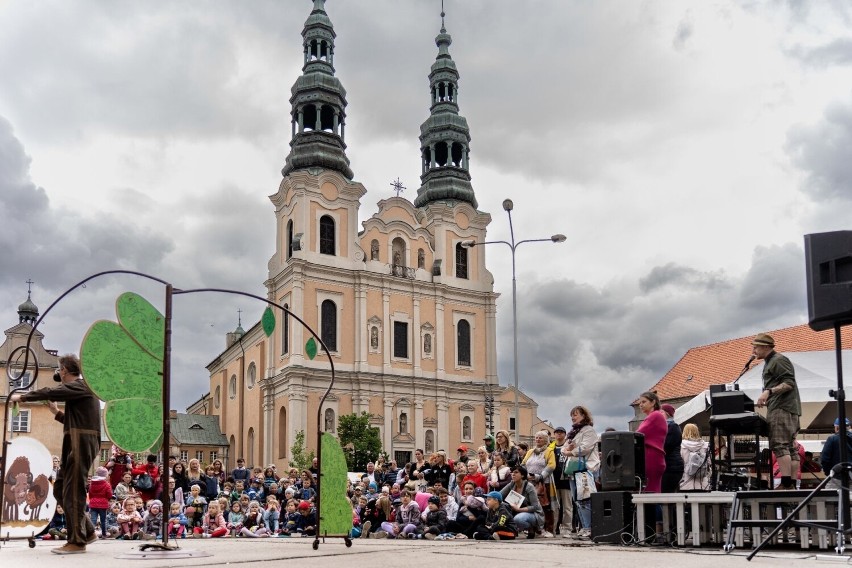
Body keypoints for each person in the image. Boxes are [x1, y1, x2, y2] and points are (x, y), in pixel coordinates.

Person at [10, 354, 100, 554]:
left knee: (73, 491)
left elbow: (51, 390)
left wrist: (23, 397)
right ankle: (88, 531)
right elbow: (78, 420)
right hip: (76, 442)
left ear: (64, 371)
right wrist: (56, 413)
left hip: (81, 444)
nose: (58, 373)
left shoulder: (81, 386)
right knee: (60, 489)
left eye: (60, 370)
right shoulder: (79, 390)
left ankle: (77, 542)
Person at [753, 333, 802, 490]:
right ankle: (792, 484)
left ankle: (786, 484)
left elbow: (789, 383)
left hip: (781, 408)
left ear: (766, 346)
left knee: (779, 445)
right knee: (790, 447)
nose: (753, 349)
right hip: (788, 407)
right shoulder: (772, 361)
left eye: (756, 346)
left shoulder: (778, 360)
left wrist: (768, 392)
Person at [561, 406, 600, 538]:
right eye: (572, 415)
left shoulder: (589, 431)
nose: (573, 417)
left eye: (576, 414)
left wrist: (570, 451)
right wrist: (568, 450)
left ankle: (589, 527)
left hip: (585, 469)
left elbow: (585, 448)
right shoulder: (573, 432)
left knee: (585, 500)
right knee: (577, 500)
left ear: (584, 415)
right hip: (573, 470)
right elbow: (563, 448)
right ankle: (584, 527)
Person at [636, 391, 668, 544]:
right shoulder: (655, 416)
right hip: (653, 458)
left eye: (643, 402)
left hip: (652, 458)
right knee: (652, 494)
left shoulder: (655, 416)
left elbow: (638, 434)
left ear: (653, 402)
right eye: (639, 403)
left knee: (651, 495)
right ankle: (654, 531)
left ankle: (656, 531)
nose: (640, 405)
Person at [522, 430, 556, 537]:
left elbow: (551, 466)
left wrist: (540, 477)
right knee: (531, 505)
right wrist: (524, 475)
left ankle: (548, 529)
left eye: (540, 438)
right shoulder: (530, 451)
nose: (538, 439)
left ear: (546, 440)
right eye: (536, 437)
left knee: (545, 506)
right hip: (529, 483)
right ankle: (534, 529)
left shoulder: (549, 451)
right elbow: (523, 464)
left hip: (544, 483)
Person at [500, 465, 543, 539]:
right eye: (512, 472)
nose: (513, 474)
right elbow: (499, 495)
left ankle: (532, 528)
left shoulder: (529, 487)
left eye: (516, 472)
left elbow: (535, 507)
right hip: (516, 511)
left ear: (522, 475)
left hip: (533, 514)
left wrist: (518, 509)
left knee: (518, 519)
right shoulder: (512, 483)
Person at [552, 426, 573, 535]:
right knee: (555, 507)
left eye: (561, 433)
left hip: (566, 481)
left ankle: (567, 529)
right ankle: (553, 528)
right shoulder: (551, 447)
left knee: (567, 507)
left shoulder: (568, 446)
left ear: (565, 434)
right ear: (554, 434)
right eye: (557, 433)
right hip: (554, 481)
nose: (559, 434)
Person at [821, 418, 852, 489]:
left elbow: (825, 459)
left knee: (831, 497)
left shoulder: (832, 439)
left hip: (837, 477)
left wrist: (830, 473)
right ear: (849, 427)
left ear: (837, 427)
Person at [660, 404, 684, 493]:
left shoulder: (672, 426)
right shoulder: (667, 426)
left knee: (666, 493)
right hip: (670, 466)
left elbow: (667, 446)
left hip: (672, 467)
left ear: (667, 413)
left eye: (661, 412)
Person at [679, 423, 710, 491]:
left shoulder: (681, 446)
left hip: (685, 483)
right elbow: (709, 463)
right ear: (697, 432)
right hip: (703, 484)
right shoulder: (705, 445)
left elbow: (679, 464)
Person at [88, 467, 112, 539]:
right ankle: (104, 534)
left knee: (93, 520)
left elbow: (90, 493)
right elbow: (109, 494)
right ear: (105, 475)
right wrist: (107, 499)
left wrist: (93, 499)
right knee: (103, 520)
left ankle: (91, 534)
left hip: (93, 503)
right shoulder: (106, 484)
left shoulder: (92, 483)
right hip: (103, 504)